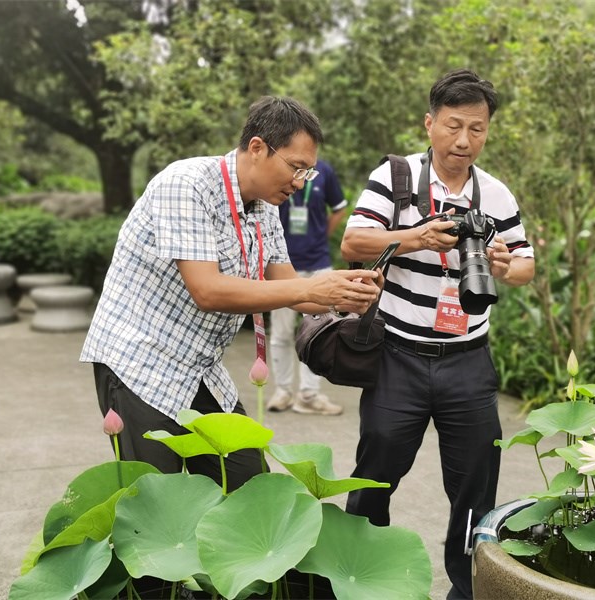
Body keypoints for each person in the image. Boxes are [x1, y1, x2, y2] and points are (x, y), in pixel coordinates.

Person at [81, 96, 380, 494]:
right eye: (295, 168)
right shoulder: (185, 184)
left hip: (200, 367)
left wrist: (341, 291)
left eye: (307, 172)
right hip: (140, 362)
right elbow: (207, 289)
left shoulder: (265, 208)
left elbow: (291, 290)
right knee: (156, 510)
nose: (298, 182)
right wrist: (311, 286)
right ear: (257, 148)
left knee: (249, 487)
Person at [340, 69, 535, 600]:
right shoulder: (396, 177)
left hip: (468, 358)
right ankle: (363, 577)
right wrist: (416, 236)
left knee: (476, 482)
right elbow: (353, 241)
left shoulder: (494, 193)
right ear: (430, 124)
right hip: (398, 354)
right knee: (375, 471)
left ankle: (465, 590)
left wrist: (501, 264)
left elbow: (526, 266)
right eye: (453, 126)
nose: (464, 140)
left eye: (477, 129)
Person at [266, 159, 347, 416]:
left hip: (317, 262)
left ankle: (309, 395)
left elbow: (339, 208)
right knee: (280, 332)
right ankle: (283, 391)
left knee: (320, 332)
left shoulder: (325, 171)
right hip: (281, 264)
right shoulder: (277, 170)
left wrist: (321, 235)